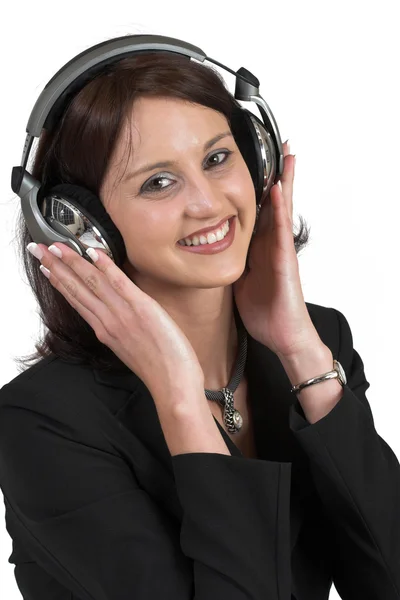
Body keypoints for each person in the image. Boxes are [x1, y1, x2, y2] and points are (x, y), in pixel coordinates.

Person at [0, 34, 399, 600]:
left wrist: (301, 352)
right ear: (80, 225)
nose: (209, 203)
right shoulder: (43, 423)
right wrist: (182, 399)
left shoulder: (316, 344)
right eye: (158, 182)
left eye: (217, 159)